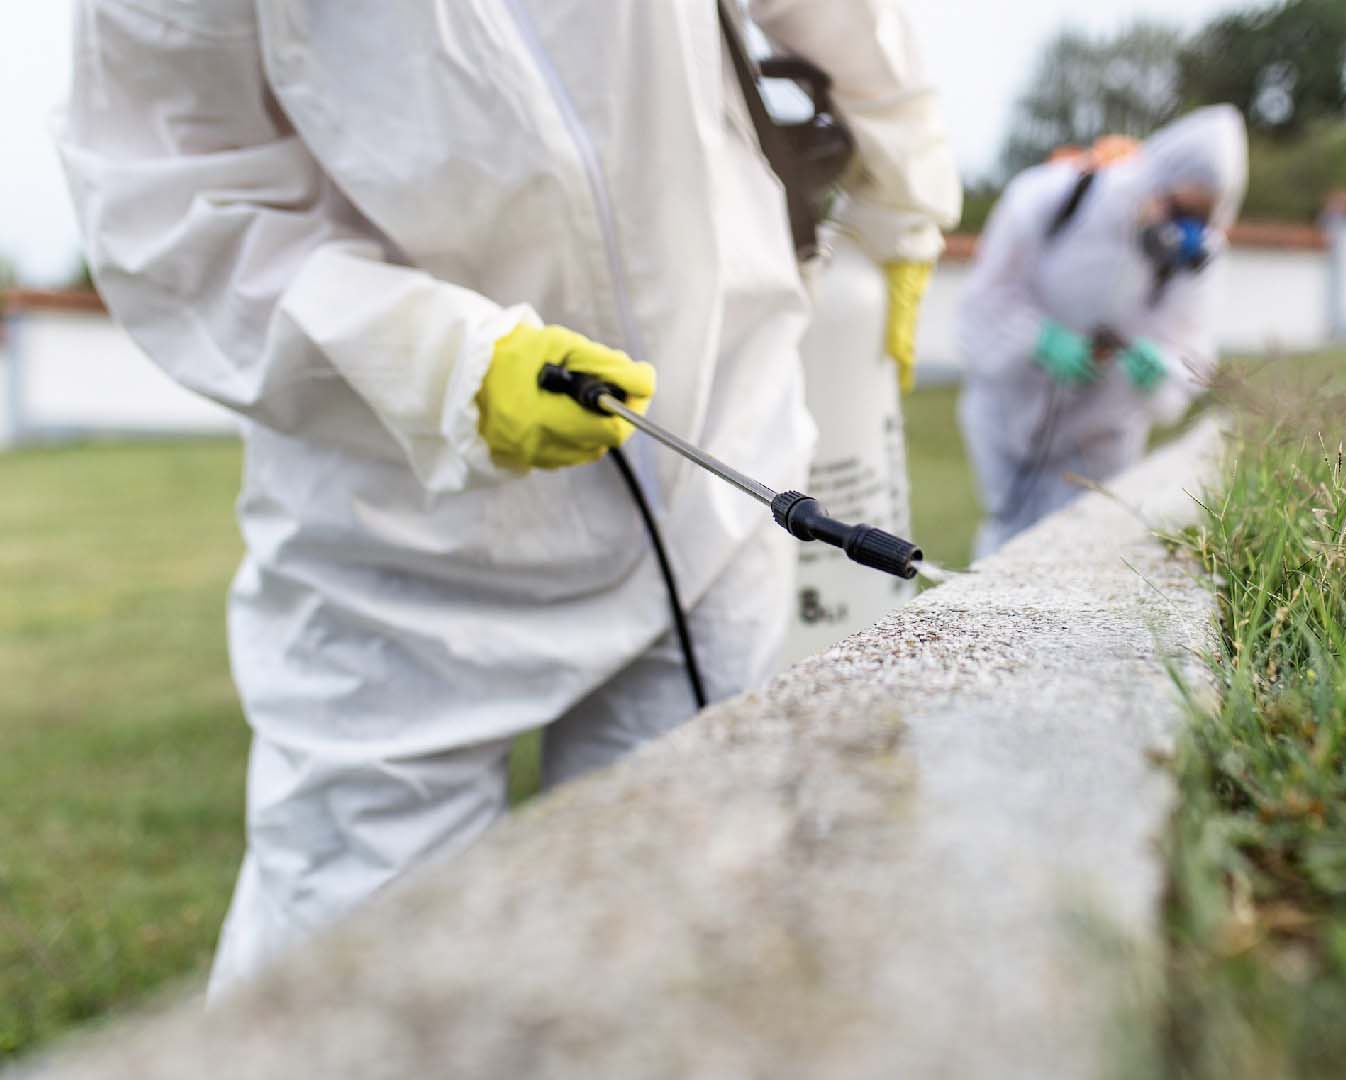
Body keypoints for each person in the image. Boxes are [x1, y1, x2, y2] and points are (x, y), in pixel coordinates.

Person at [58, 0, 958, 994]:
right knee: (351, 983)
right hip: (399, 541)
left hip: (710, 457)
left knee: (678, 938)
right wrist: (435, 361)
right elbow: (170, 203)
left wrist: (907, 193)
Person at [956, 106, 1246, 559]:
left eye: (1200, 218)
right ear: (1155, 181)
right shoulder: (1047, 199)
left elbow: (1192, 353)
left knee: (1081, 556)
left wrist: (1161, 368)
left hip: (1101, 438)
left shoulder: (1197, 261)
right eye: (1178, 209)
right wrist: (1039, 341)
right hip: (1010, 420)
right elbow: (981, 304)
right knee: (1005, 552)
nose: (1182, 230)